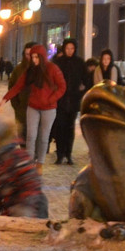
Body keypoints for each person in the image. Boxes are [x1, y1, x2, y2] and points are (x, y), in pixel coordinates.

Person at [0, 43, 66, 165]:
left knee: (44, 137)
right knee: (31, 136)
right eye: (32, 57)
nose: (34, 60)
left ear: (42, 57)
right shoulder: (30, 71)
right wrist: (4, 100)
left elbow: (62, 87)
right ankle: (29, 162)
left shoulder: (52, 69)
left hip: (48, 109)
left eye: (36, 57)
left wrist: (51, 99)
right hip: (33, 107)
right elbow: (17, 86)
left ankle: (40, 163)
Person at [0, 114, 49, 219]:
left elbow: (32, 191)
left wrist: (17, 219)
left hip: (32, 213)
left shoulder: (19, 158)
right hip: (10, 214)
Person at [52, 37, 86, 165]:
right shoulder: (58, 62)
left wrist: (80, 91)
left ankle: (69, 154)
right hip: (60, 101)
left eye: (72, 48)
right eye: (67, 48)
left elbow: (86, 79)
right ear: (64, 49)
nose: (70, 51)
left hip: (73, 101)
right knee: (60, 127)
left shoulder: (79, 62)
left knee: (70, 128)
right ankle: (60, 154)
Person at [6, 43, 37, 140]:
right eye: (27, 54)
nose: (29, 57)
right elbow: (12, 87)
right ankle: (24, 153)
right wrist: (16, 105)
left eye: (31, 54)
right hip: (22, 109)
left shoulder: (43, 69)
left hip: (38, 108)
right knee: (22, 135)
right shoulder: (19, 69)